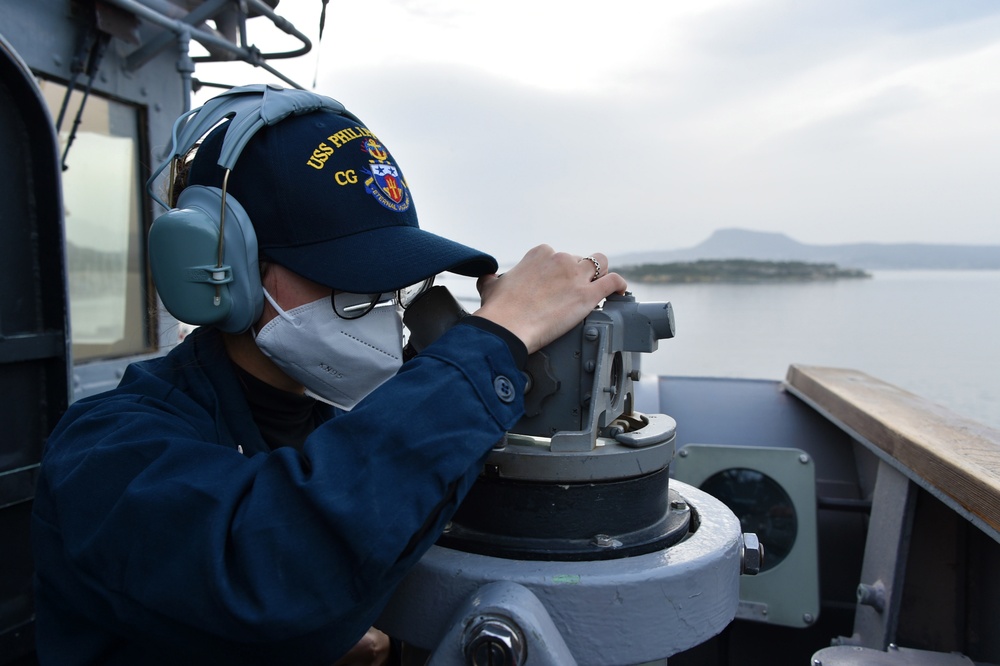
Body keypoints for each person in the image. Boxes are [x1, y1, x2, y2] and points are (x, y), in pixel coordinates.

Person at [30, 87, 627, 665]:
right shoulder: (104, 452)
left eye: (394, 279)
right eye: (350, 278)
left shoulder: (354, 415)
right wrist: (494, 341)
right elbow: (266, 571)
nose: (383, 305)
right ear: (223, 272)